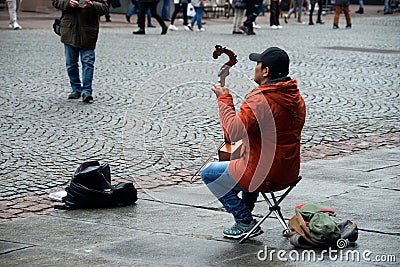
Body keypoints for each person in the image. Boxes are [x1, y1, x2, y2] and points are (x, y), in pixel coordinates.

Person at [201, 47, 306, 239]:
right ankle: (247, 214)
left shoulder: (260, 100)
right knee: (247, 159)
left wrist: (223, 98)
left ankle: (244, 220)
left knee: (209, 173)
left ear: (266, 71)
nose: (255, 67)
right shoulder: (296, 98)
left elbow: (232, 133)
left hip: (263, 175)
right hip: (288, 172)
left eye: (258, 64)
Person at [52, 0, 108, 103]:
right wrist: (68, 3)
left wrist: (93, 4)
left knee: (88, 62)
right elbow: (56, 2)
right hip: (69, 30)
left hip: (88, 32)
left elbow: (104, 8)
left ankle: (87, 91)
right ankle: (76, 88)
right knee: (71, 63)